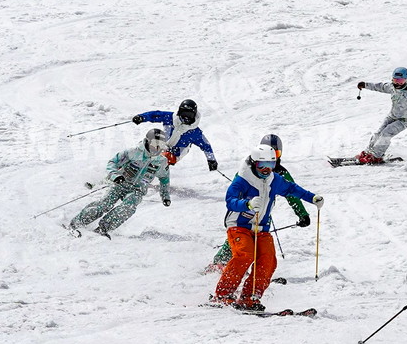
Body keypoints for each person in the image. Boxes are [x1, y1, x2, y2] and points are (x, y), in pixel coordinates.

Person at [211, 143, 322, 311]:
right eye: (262, 165)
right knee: (245, 255)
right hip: (239, 226)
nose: (266, 169)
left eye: (270, 165)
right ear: (254, 163)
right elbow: (230, 201)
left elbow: (292, 189)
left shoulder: (274, 179)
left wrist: (312, 198)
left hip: (261, 228)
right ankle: (223, 295)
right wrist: (246, 204)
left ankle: (250, 297)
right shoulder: (243, 179)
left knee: (268, 260)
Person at [205, 134, 310, 274]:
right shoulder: (248, 168)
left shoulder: (281, 173)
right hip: (244, 210)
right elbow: (236, 188)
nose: (272, 157)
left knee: (258, 240)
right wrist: (243, 203)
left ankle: (253, 272)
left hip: (263, 211)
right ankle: (220, 262)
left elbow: (292, 195)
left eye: (276, 153)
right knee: (240, 237)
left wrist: (302, 213)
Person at [68, 129, 173, 238]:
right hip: (120, 184)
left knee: (128, 207)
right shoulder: (133, 152)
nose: (157, 148)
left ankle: (102, 229)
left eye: (160, 145)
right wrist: (115, 176)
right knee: (104, 204)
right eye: (155, 144)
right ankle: (76, 223)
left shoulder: (161, 161)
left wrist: (165, 196)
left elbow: (164, 178)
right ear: (147, 141)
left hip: (137, 190)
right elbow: (112, 163)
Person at [354, 66, 407, 164]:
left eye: (400, 81)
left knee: (386, 133)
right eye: (395, 80)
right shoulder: (391, 87)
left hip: (404, 120)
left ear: (406, 81)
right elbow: (379, 86)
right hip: (392, 116)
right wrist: (365, 85)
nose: (397, 83)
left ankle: (376, 156)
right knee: (378, 133)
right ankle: (367, 153)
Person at [133, 98, 218, 173]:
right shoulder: (170, 118)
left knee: (162, 158)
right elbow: (155, 115)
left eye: (189, 115)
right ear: (179, 112)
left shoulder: (194, 132)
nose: (186, 118)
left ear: (194, 115)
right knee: (148, 144)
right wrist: (142, 117)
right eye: (184, 114)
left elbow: (206, 145)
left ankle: (147, 174)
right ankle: (132, 161)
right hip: (163, 145)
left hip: (175, 152)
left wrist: (211, 160)